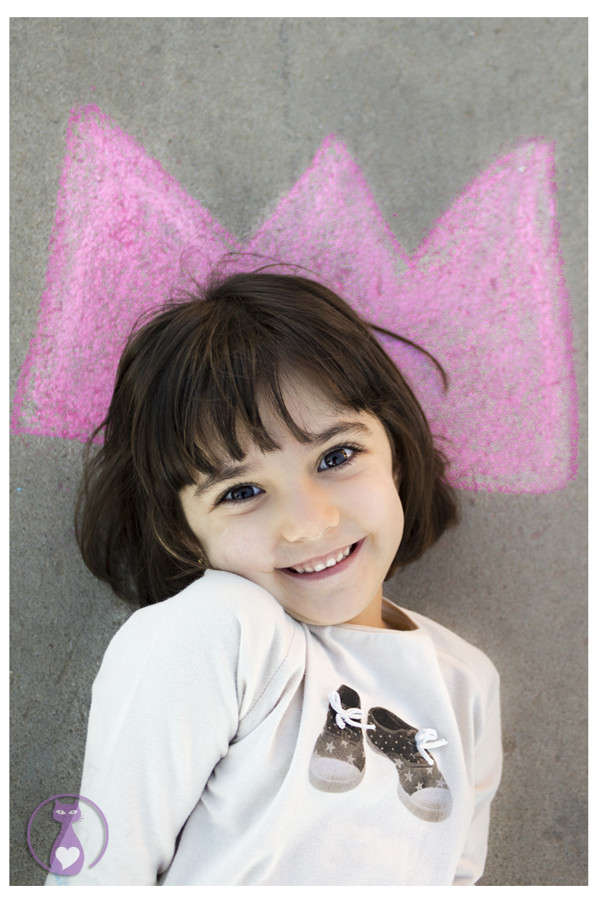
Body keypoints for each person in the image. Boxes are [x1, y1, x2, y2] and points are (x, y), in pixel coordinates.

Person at [47, 268, 502, 886]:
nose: (309, 523)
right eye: (242, 491)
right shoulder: (217, 633)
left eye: (337, 456)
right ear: (182, 531)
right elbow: (102, 872)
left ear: (394, 447)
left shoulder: (465, 679)